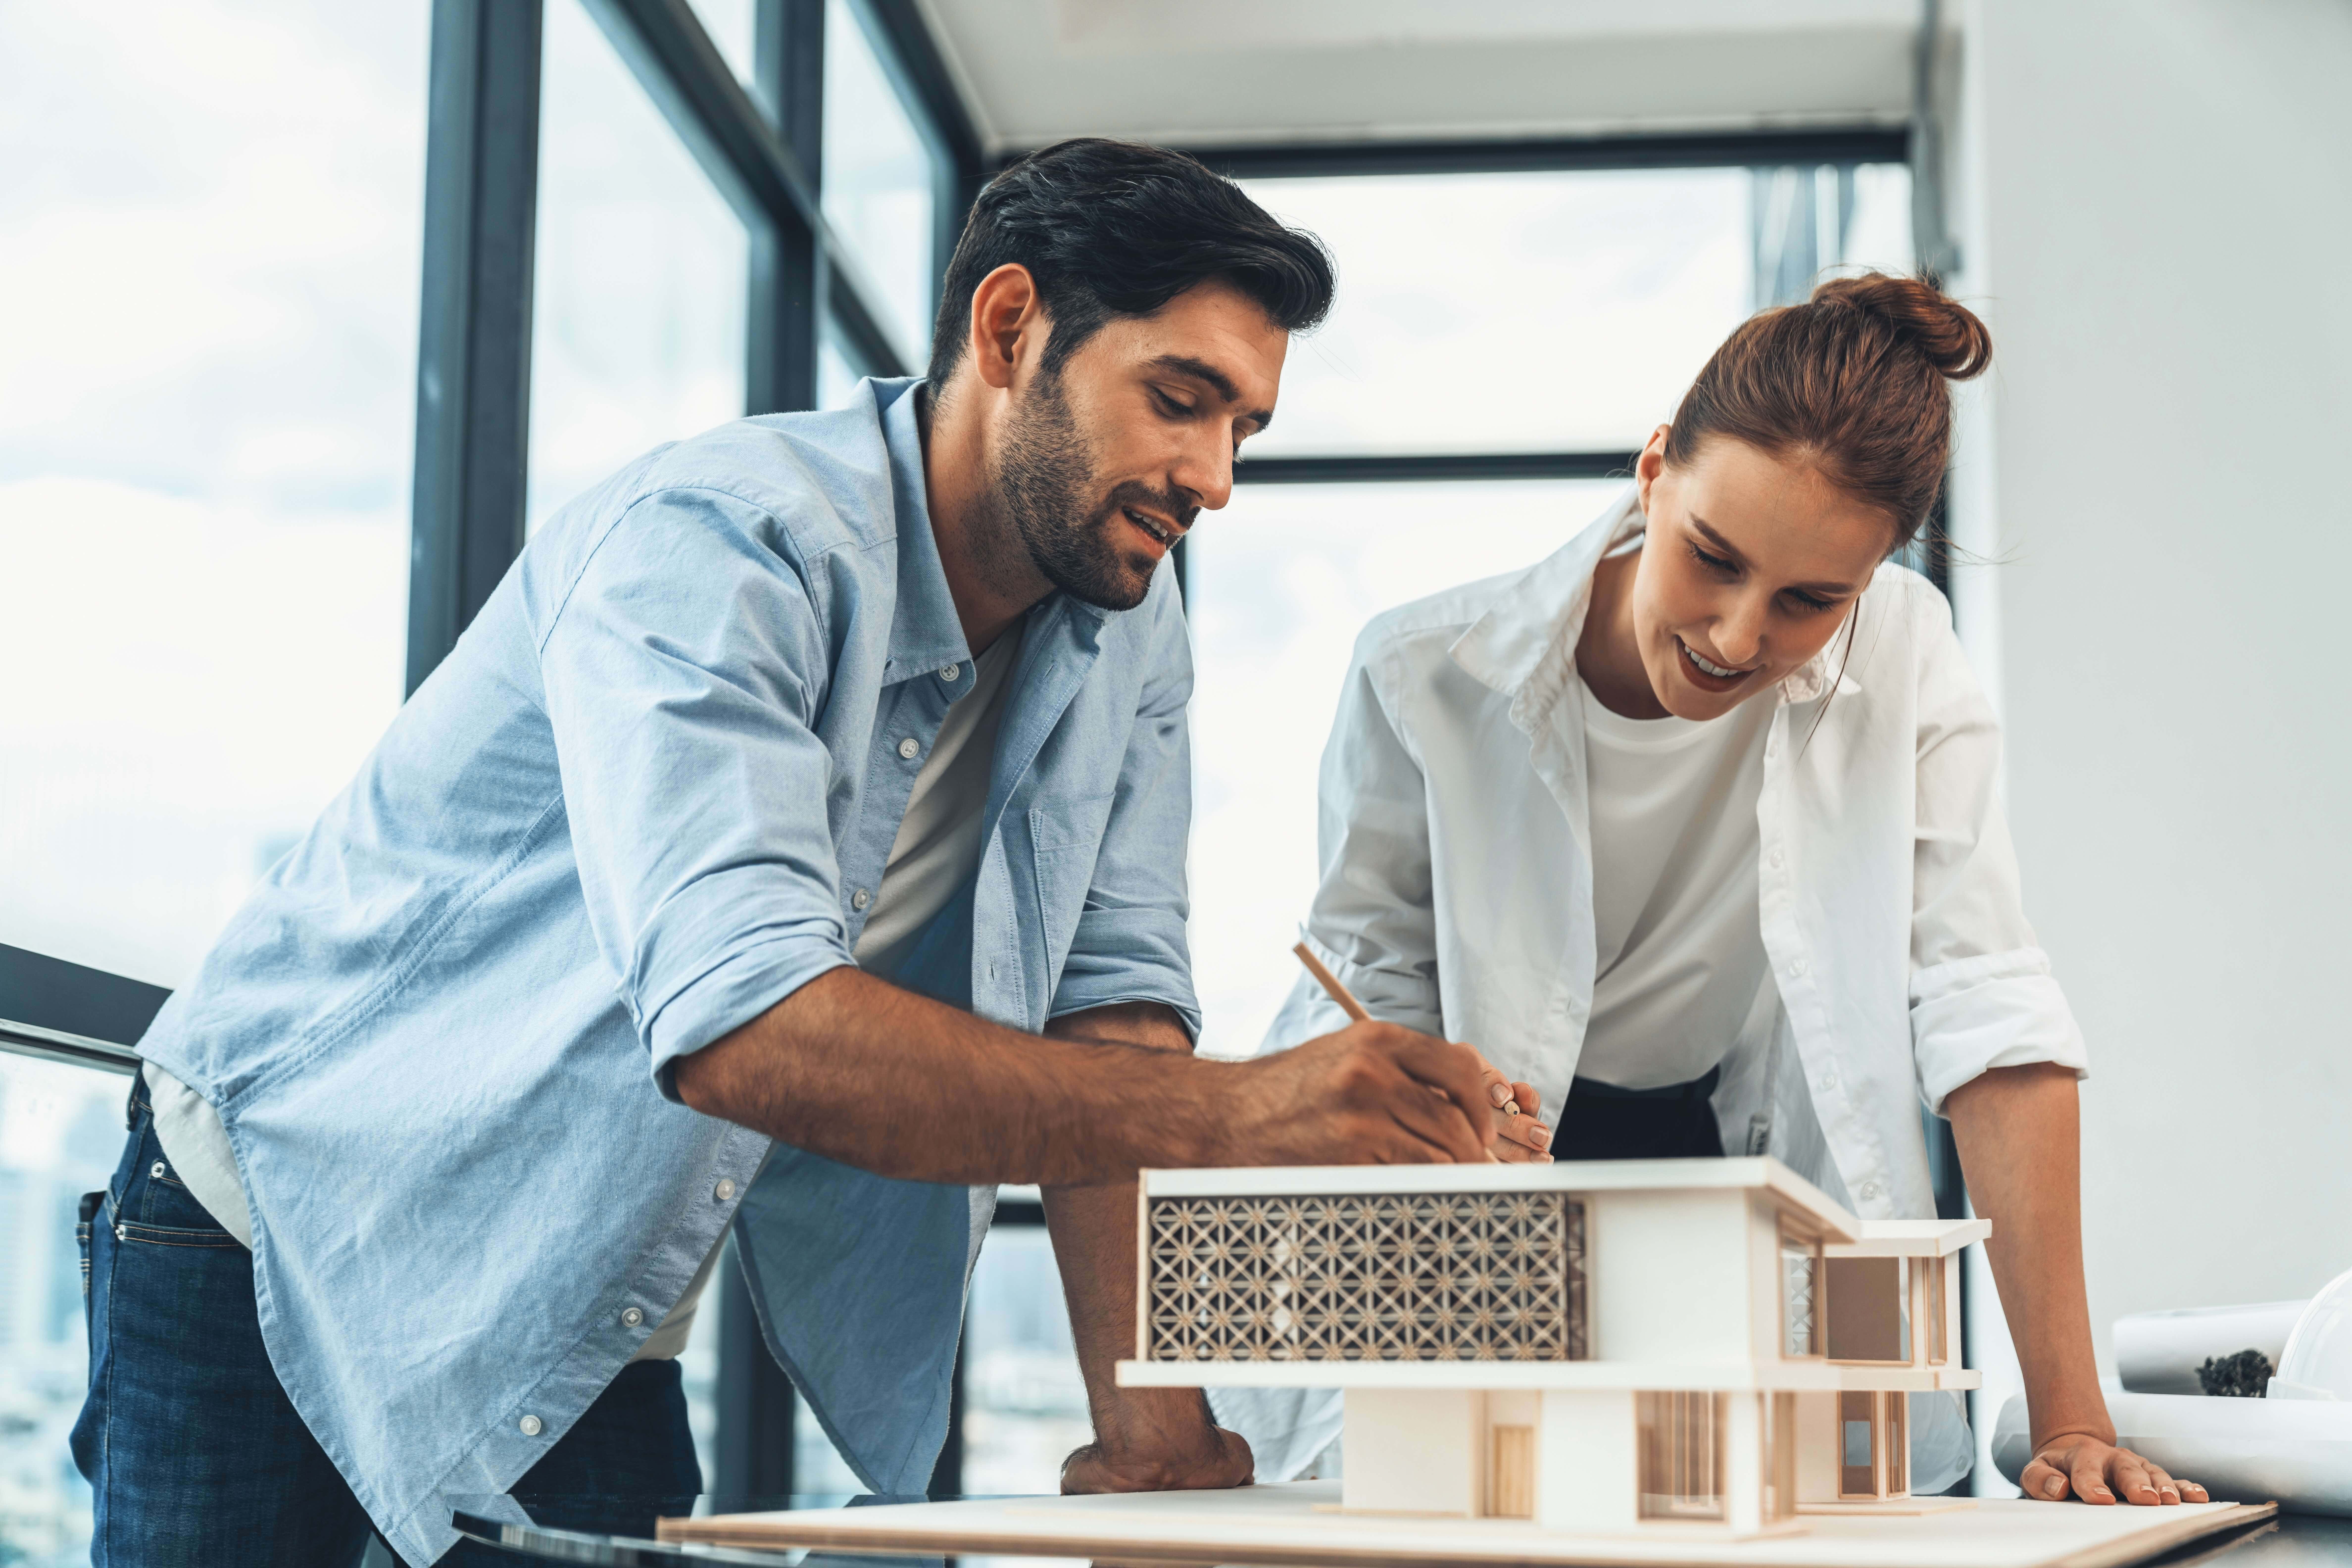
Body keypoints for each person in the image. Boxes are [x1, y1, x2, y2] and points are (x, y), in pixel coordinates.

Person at [72, 138, 1513, 1568]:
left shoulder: (1131, 632)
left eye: (1245, 429)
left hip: (583, 1295)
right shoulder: (722, 543)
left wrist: (1152, 1433)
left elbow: (1113, 1017)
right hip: (288, 1227)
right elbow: (743, 1031)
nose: (1213, 478)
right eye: (1179, 401)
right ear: (1010, 329)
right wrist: (1248, 1114)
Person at [1215, 274, 2204, 1510]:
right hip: (1492, 1176)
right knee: (1490, 1512)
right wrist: (1438, 1104)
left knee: (1794, 1513)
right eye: (1713, 559)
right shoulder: (1424, 677)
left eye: (1810, 601)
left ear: (1872, 578)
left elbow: (1985, 1003)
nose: (1738, 638)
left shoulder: (1902, 648)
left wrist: (2070, 1416)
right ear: (1653, 474)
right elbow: (1364, 1015)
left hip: (1733, 1164)